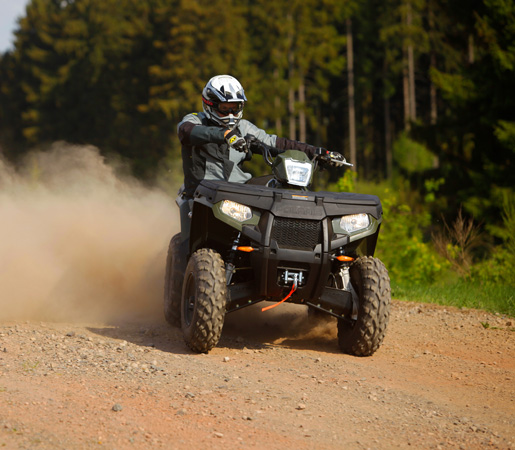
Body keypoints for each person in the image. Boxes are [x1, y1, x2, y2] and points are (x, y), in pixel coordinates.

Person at [176, 74, 340, 240]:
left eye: (235, 107)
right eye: (225, 108)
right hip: (203, 193)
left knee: (281, 185)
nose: (231, 113)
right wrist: (225, 134)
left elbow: (277, 143)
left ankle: (295, 238)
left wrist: (318, 152)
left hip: (239, 189)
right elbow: (186, 131)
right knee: (186, 248)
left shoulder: (244, 127)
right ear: (210, 104)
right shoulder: (194, 120)